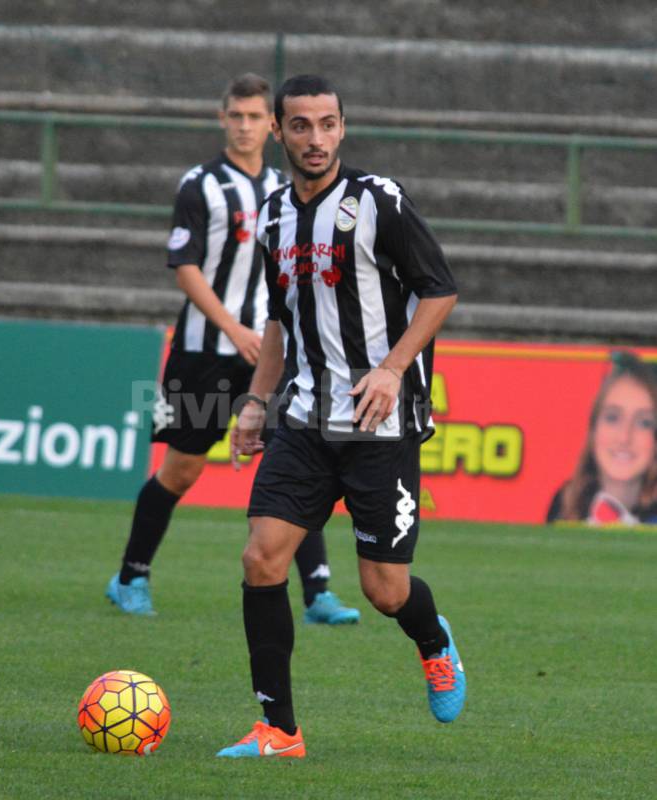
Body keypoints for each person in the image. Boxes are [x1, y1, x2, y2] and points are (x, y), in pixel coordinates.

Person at [216, 74, 465, 760]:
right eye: (300, 126)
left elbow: (438, 291)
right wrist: (254, 404)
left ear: (342, 128)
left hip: (378, 424)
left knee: (384, 590)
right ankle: (279, 731)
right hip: (301, 417)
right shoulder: (271, 216)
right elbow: (278, 321)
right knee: (262, 559)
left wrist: (390, 368)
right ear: (279, 132)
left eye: (327, 124)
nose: (315, 138)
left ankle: (432, 641)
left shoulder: (377, 200)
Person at [106, 73, 359, 625]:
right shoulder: (199, 184)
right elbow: (186, 270)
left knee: (296, 461)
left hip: (270, 354)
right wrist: (233, 326)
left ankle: (317, 592)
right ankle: (130, 575)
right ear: (222, 120)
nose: (245, 126)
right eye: (235, 116)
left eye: (254, 117)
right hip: (203, 352)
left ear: (272, 126)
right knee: (182, 470)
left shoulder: (286, 190)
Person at [547, 352, 657, 525]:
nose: (624, 437)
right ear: (594, 428)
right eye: (613, 418)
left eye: (644, 423)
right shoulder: (565, 502)